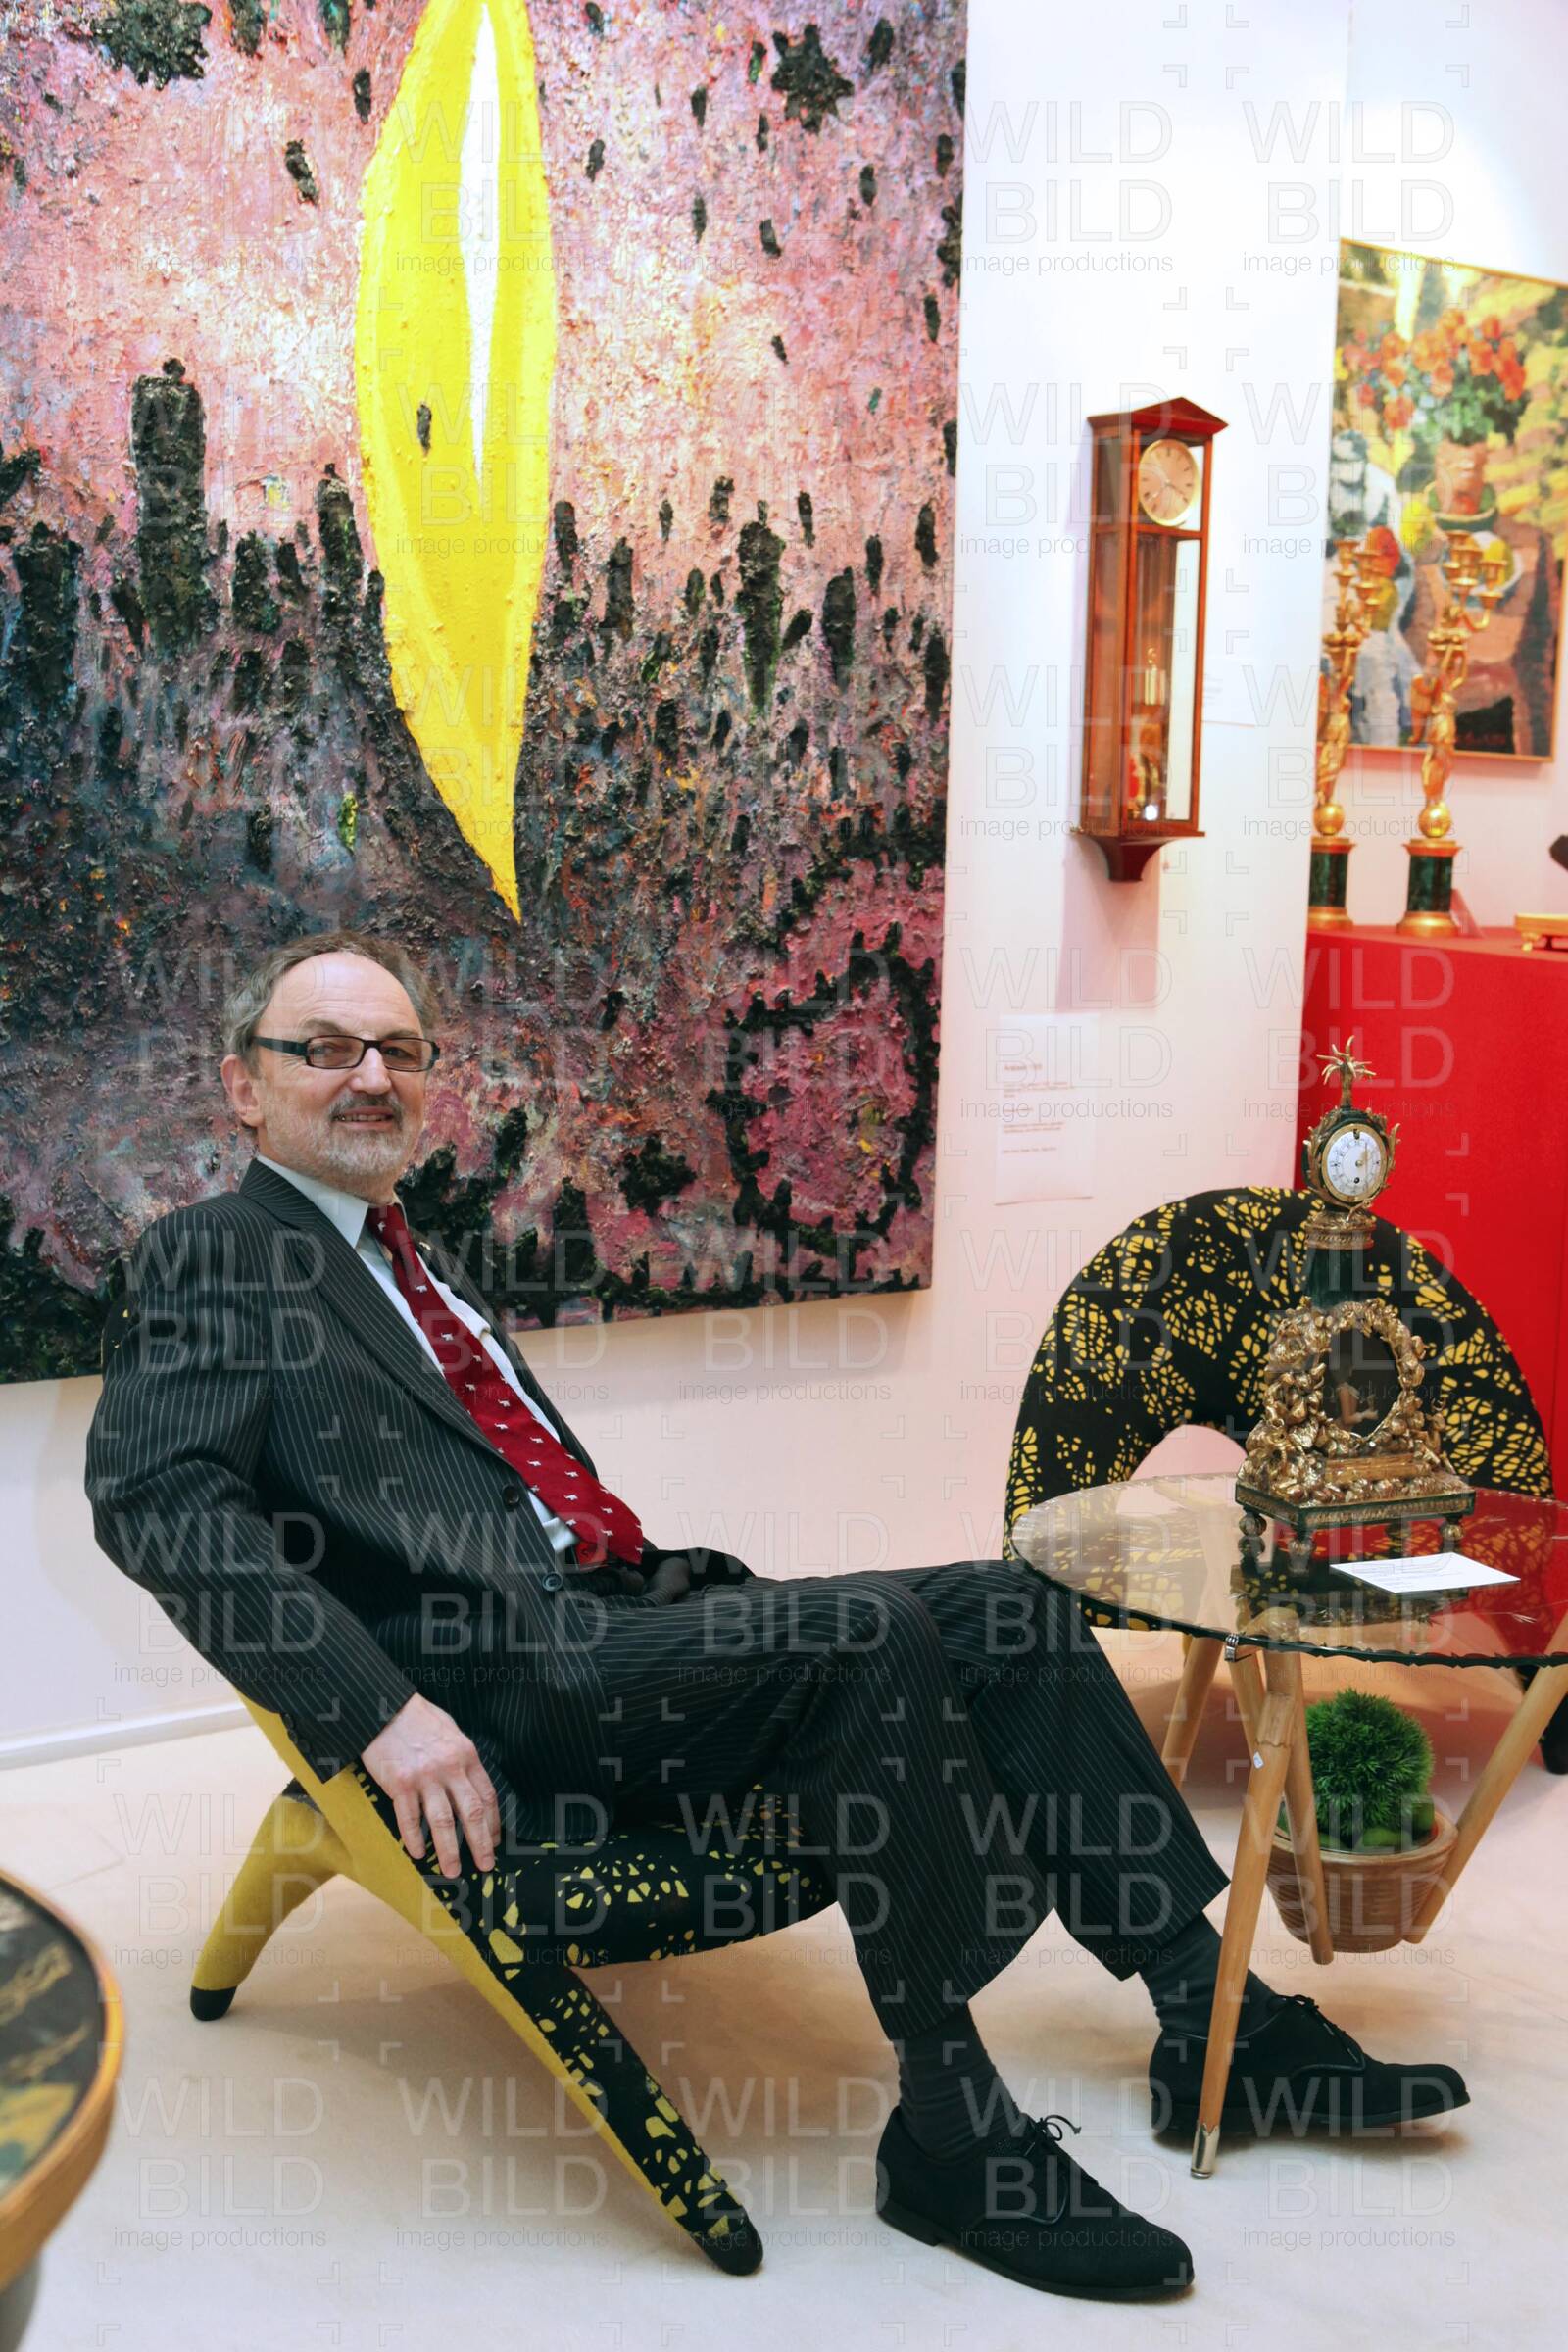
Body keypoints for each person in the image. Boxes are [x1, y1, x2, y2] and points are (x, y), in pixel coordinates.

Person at [83, 928, 1469, 2302]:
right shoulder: (213, 1257)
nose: (372, 1076)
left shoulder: (411, 1257)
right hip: (517, 1675)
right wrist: (376, 1712)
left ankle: (1212, 2017)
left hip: (622, 1611)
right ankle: (950, 2134)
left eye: (398, 1049)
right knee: (870, 1642)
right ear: (245, 1085)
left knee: (1009, 1606)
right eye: (325, 1049)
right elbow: (157, 1503)